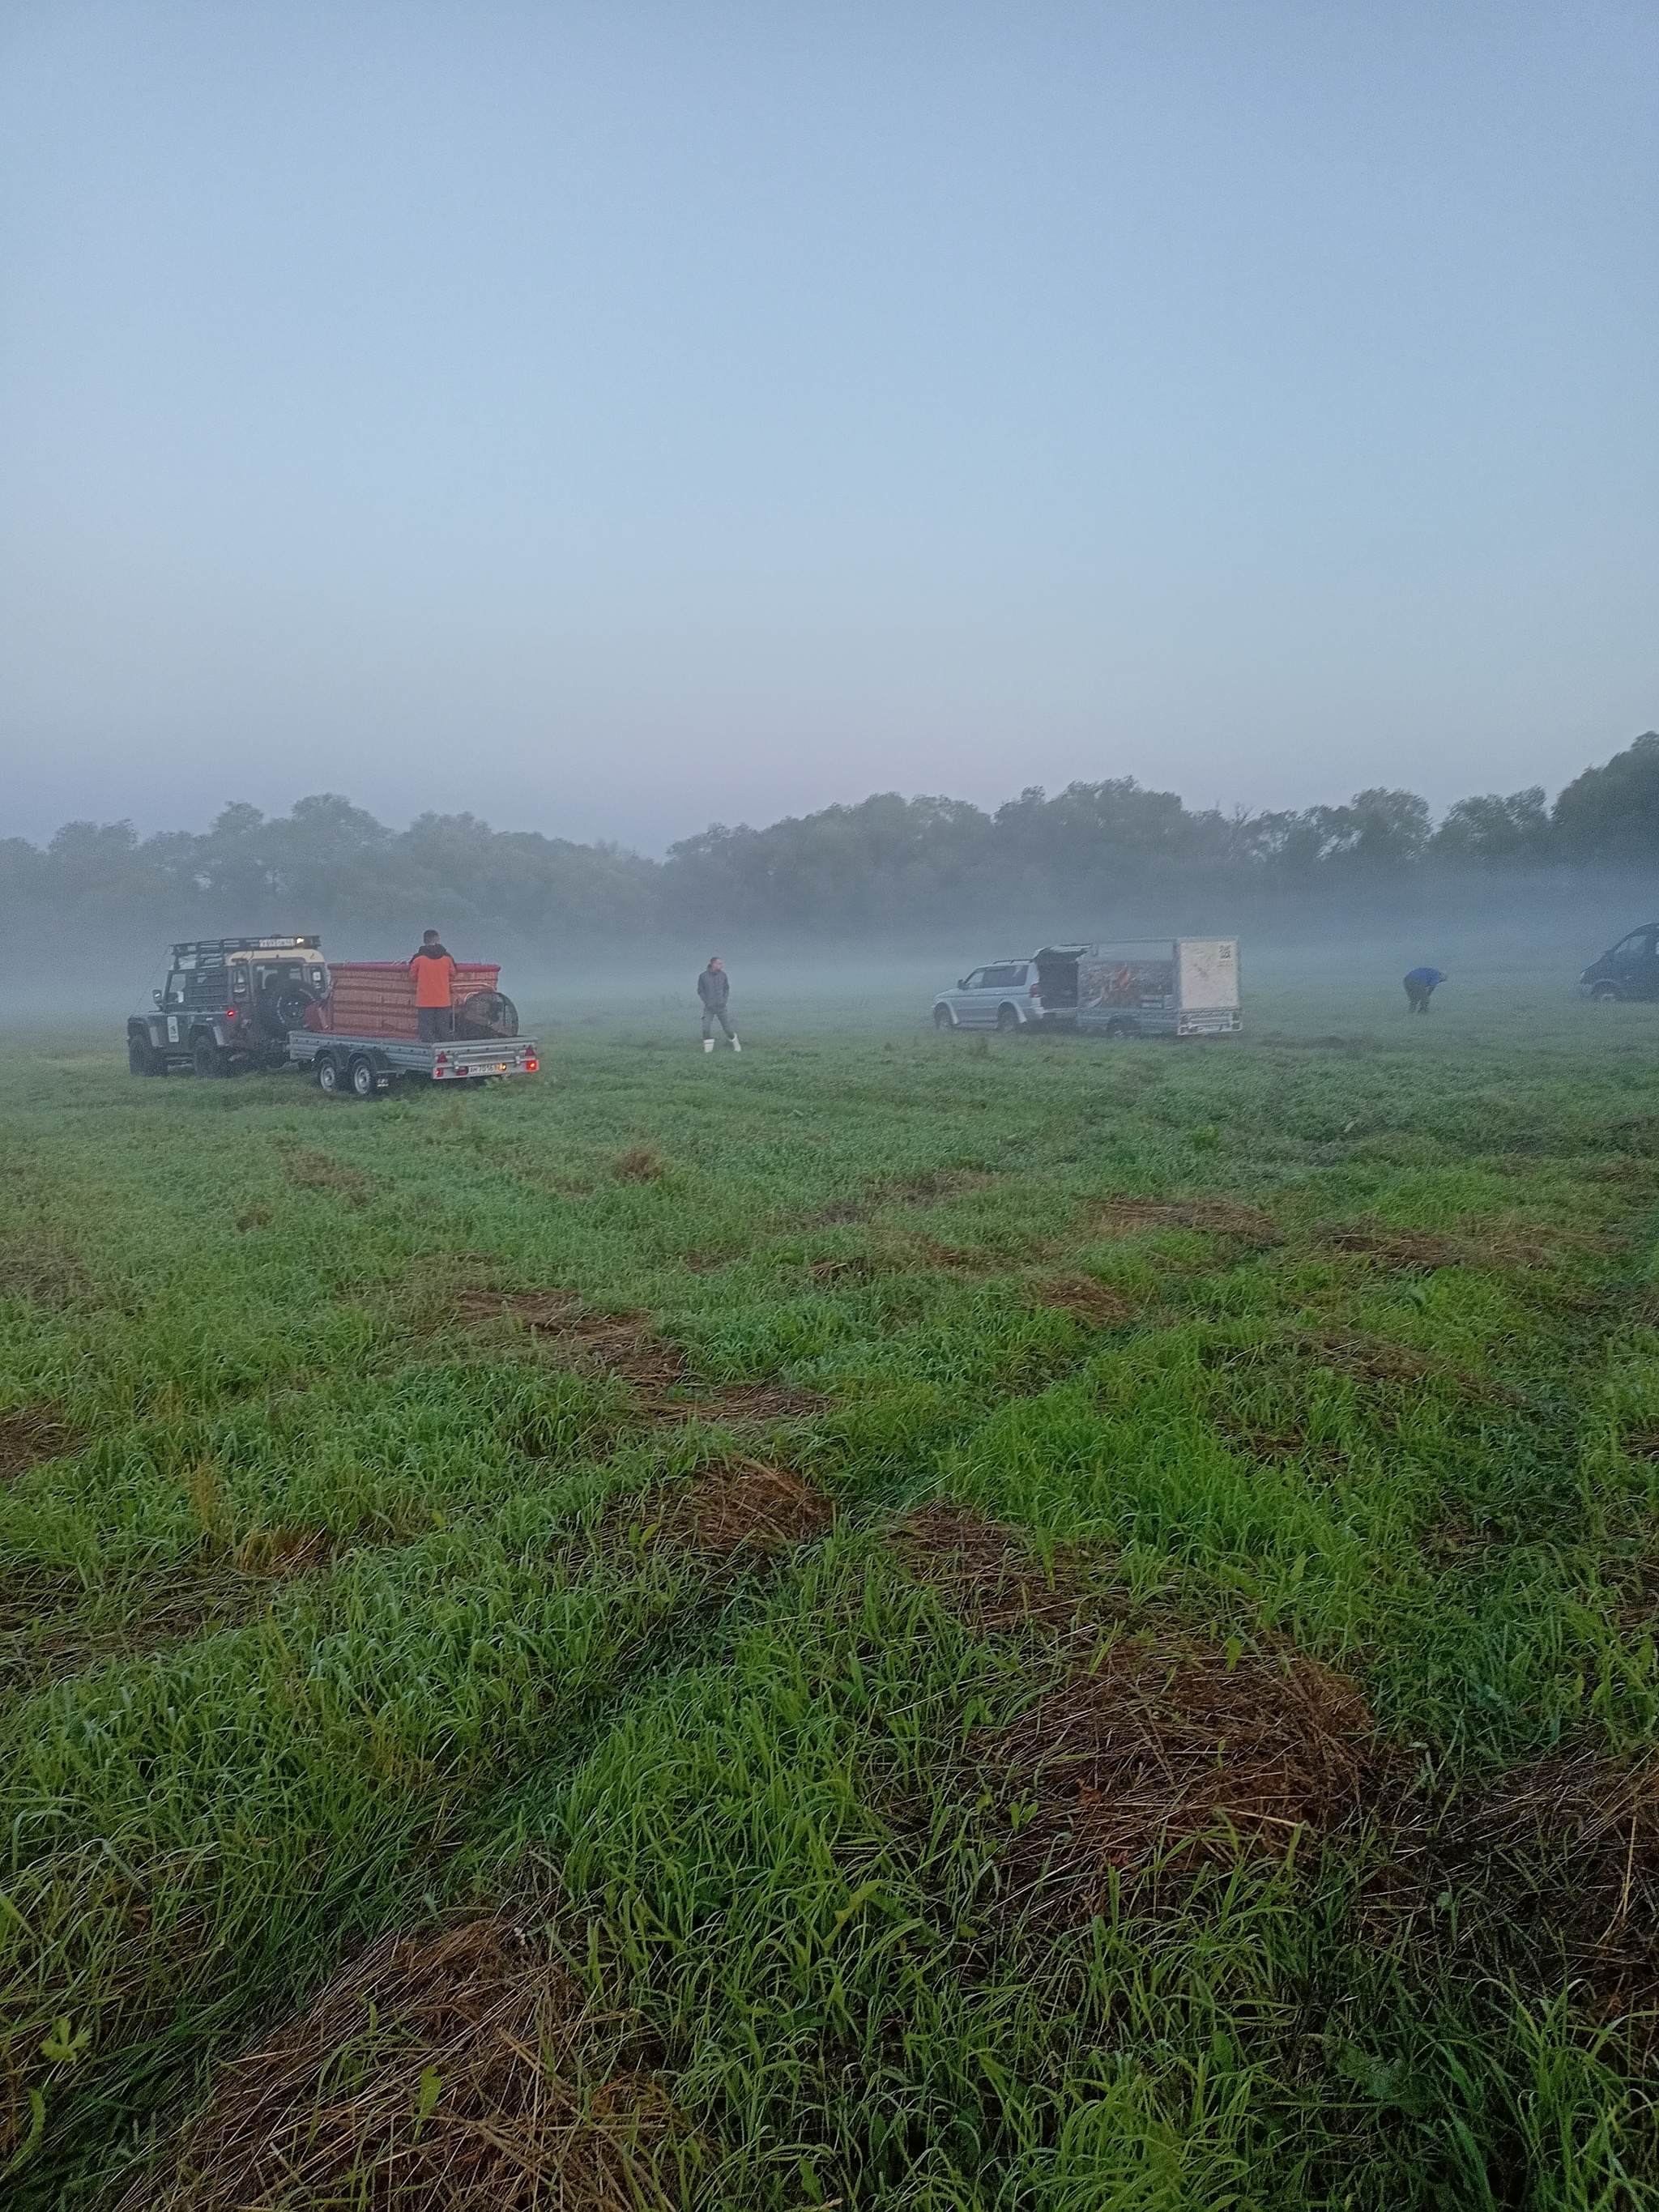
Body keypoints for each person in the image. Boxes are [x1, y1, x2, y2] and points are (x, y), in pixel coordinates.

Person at [410, 930, 458, 1042]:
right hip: (442, 1000)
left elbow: (412, 977)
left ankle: (430, 1054)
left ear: (424, 940)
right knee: (443, 1030)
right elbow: (453, 974)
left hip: (425, 1000)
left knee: (426, 1031)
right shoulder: (447, 958)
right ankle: (446, 1052)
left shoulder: (418, 959)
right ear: (437, 940)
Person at [697, 957, 740, 1052]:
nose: (722, 965)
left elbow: (726, 989)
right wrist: (707, 1002)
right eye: (720, 963)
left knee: (727, 1029)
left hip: (721, 1007)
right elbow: (701, 991)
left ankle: (736, 1046)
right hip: (709, 1008)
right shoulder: (703, 976)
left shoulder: (723, 976)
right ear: (713, 964)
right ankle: (708, 1052)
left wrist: (724, 1000)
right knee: (706, 1028)